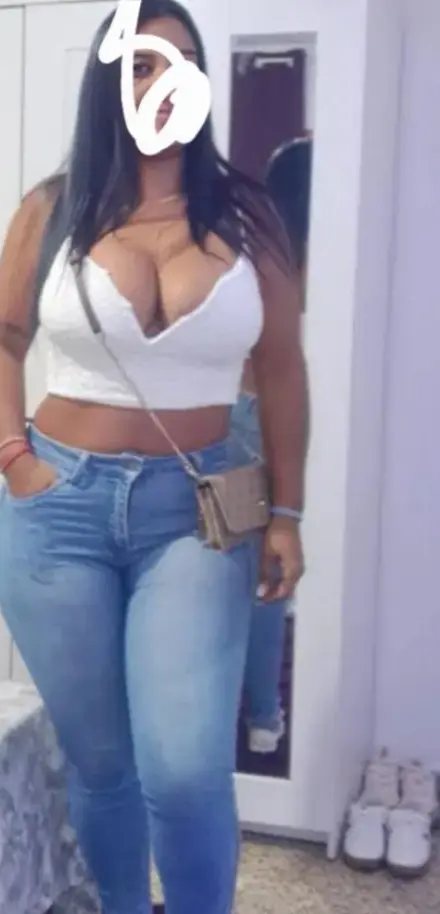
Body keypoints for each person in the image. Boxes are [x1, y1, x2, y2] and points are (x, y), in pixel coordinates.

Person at [0, 3, 308, 913]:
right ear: (109, 82)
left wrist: (287, 514)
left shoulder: (248, 215)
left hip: (192, 515)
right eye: (143, 64)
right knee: (101, 763)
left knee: (186, 769)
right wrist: (16, 461)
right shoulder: (53, 207)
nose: (167, 80)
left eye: (184, 61)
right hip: (57, 511)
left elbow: (282, 369)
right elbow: (0, 339)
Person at [230, 136, 313, 755]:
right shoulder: (322, 260)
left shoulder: (250, 251)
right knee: (269, 576)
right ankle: (263, 714)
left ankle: (253, 712)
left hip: (234, 408)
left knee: (242, 567)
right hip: (281, 412)